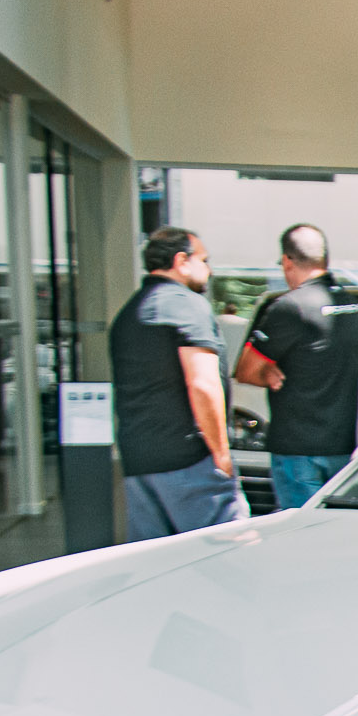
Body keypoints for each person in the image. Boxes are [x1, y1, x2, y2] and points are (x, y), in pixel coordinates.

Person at [110, 227, 244, 540]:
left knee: (157, 565)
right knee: (227, 558)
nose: (208, 270)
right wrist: (221, 454)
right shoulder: (187, 305)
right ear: (181, 260)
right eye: (204, 260)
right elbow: (203, 384)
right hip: (190, 461)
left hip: (139, 462)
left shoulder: (129, 314)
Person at [235, 224, 358, 509]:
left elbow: (244, 370)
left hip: (298, 451)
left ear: (287, 261)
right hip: (342, 446)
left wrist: (267, 371)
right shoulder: (352, 305)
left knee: (300, 535)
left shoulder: (290, 307)